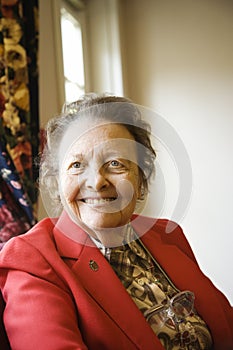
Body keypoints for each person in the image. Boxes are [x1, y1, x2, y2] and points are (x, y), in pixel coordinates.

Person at [0, 94, 232, 350]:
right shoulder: (33, 259)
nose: (97, 182)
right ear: (56, 180)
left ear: (140, 178)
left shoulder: (167, 234)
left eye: (114, 163)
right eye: (77, 165)